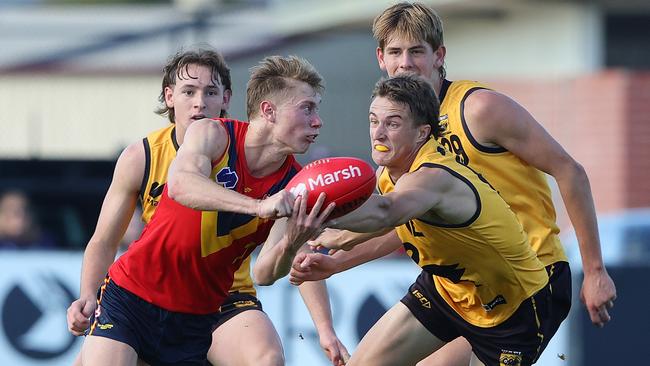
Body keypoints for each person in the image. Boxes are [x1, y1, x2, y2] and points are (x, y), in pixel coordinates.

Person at [292, 3, 616, 365]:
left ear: (439, 56)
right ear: (381, 58)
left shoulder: (477, 109)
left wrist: (595, 270)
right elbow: (402, 225)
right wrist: (336, 261)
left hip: (525, 280)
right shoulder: (396, 148)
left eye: (417, 52)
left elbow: (570, 171)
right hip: (454, 285)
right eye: (396, 53)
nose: (406, 63)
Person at [66, 49, 348, 366]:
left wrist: (325, 328)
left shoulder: (280, 172)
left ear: (226, 98)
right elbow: (106, 238)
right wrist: (88, 294)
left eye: (210, 92)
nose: (200, 102)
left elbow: (292, 254)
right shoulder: (146, 156)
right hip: (140, 289)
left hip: (222, 300)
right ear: (169, 97)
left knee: (267, 359)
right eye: (190, 91)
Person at [292, 74, 567, 365]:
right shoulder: (389, 176)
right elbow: (390, 225)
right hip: (447, 292)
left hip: (514, 311)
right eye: (374, 121)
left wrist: (314, 209)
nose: (378, 133)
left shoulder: (434, 176)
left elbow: (386, 212)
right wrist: (335, 260)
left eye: (393, 123)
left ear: (422, 133)